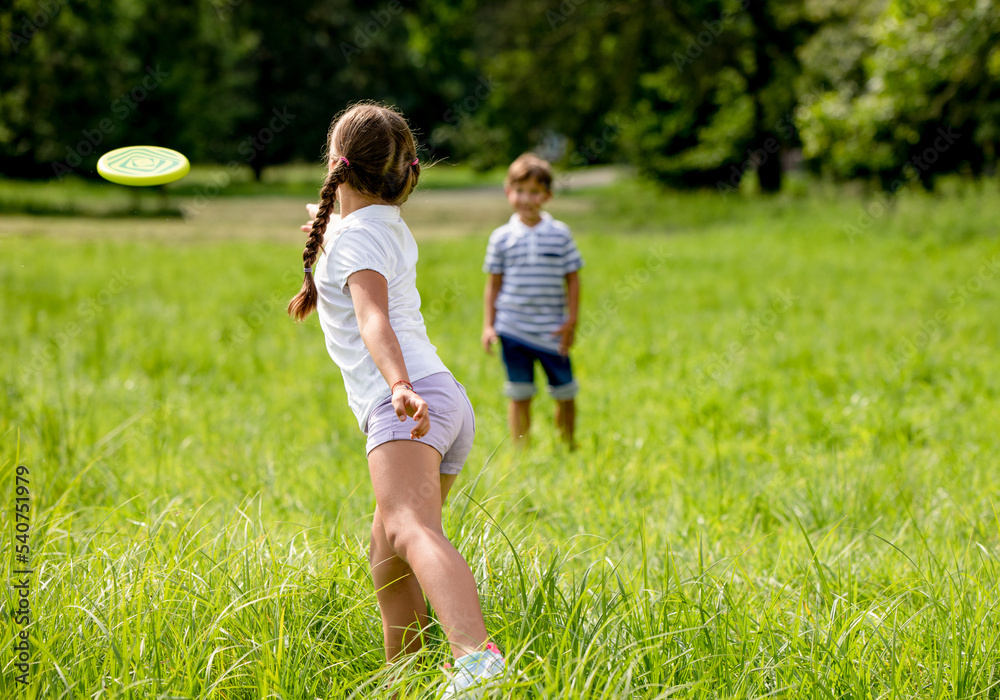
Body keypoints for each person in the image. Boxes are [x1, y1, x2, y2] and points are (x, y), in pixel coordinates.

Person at [287, 102, 505, 696]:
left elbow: (373, 321)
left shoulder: (356, 237)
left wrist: (398, 386)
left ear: (336, 163)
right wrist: (328, 226)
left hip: (408, 400)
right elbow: (346, 233)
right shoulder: (380, 224)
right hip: (445, 399)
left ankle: (475, 657)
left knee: (410, 529)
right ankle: (403, 681)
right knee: (389, 556)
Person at [481, 153, 583, 448]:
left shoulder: (560, 235)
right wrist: (489, 326)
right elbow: (493, 284)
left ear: (548, 195)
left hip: (552, 330)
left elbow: (573, 279)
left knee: (565, 392)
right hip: (512, 329)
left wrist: (572, 320)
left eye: (535, 191)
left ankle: (568, 443)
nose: (527, 198)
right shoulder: (500, 238)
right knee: (519, 393)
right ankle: (521, 449)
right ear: (508, 192)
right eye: (520, 190)